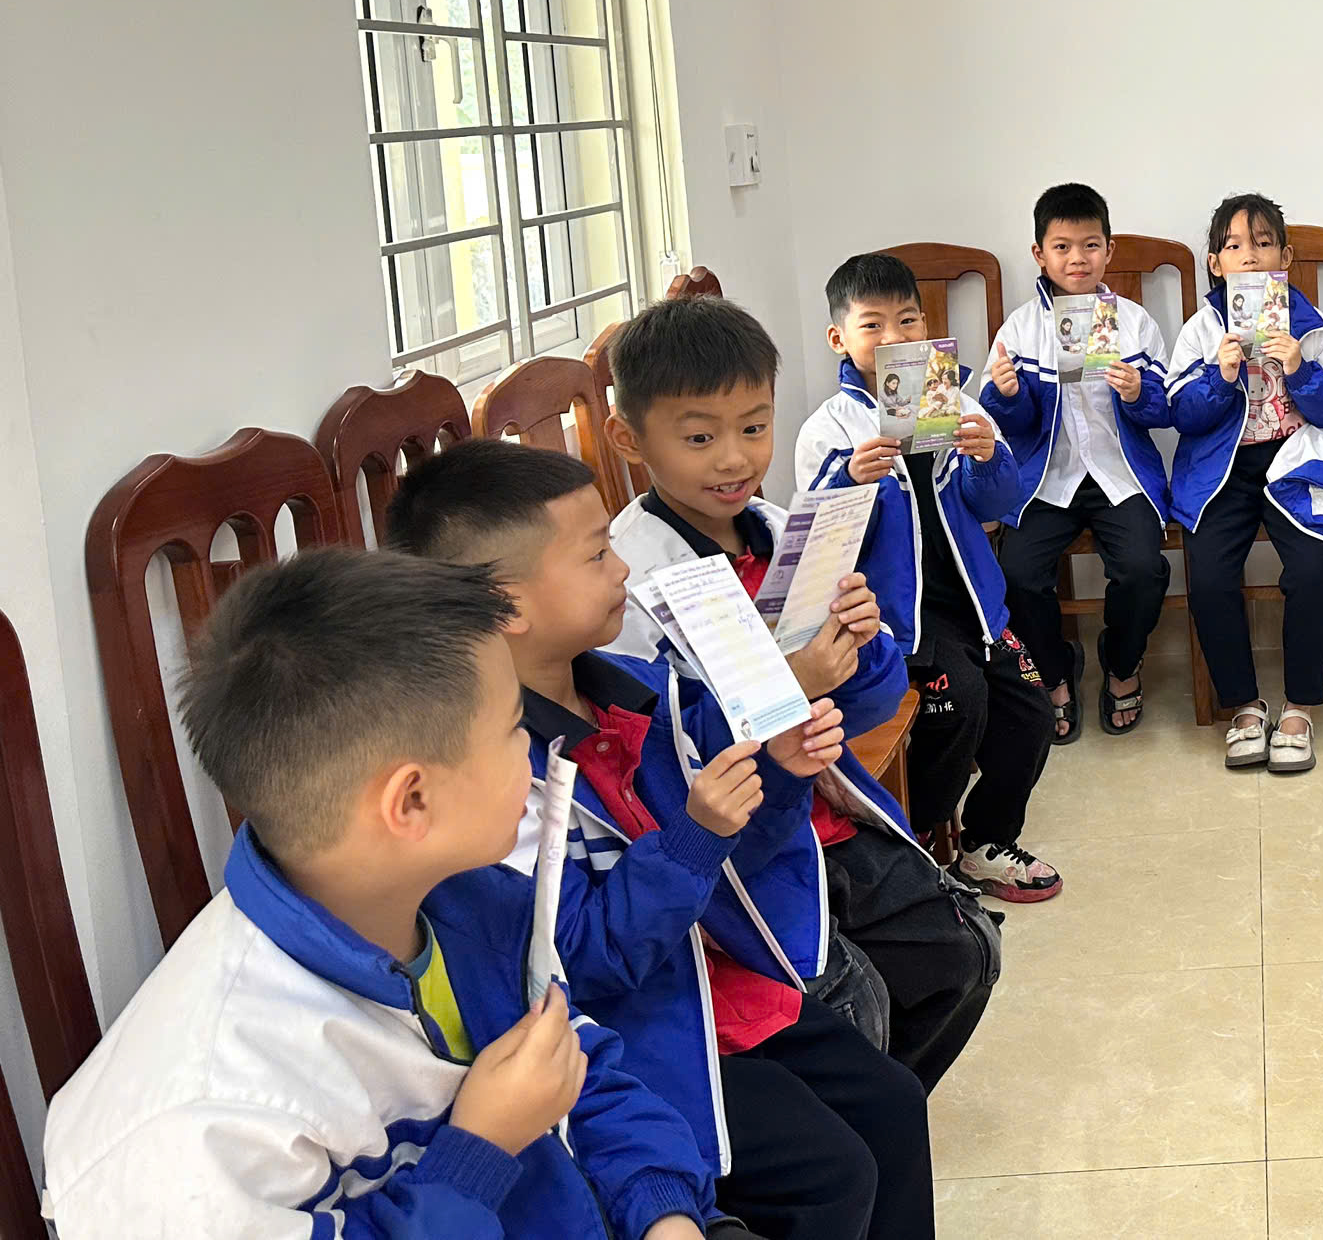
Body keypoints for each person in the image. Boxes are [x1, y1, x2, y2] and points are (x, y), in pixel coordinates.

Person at [40, 549, 733, 1240]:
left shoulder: (465, 900)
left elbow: (578, 1064)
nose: (530, 748)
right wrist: (479, 1152)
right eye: (513, 729)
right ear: (412, 801)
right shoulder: (201, 1127)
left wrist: (663, 1210)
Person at [386, 440, 942, 1240]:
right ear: (508, 605)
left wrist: (779, 771)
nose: (621, 567)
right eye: (595, 555)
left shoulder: (639, 694)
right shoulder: (493, 780)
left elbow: (738, 868)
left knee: (893, 1103)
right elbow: (575, 963)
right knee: (832, 1175)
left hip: (713, 986)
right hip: (631, 1042)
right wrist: (694, 838)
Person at [599, 294, 1007, 1062]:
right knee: (853, 1006)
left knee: (966, 952)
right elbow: (658, 763)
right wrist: (793, 681)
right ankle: (864, 1108)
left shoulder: (781, 530)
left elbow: (876, 701)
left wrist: (861, 641)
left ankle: (882, 1106)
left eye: (754, 428)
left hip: (826, 809)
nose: (734, 459)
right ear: (629, 438)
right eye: (699, 437)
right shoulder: (630, 581)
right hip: (737, 851)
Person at [792, 256, 1061, 902]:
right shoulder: (829, 429)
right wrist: (849, 479)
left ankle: (986, 841)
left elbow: (999, 504)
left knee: (1032, 710)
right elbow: (818, 545)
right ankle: (914, 848)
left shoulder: (955, 402)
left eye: (907, 320)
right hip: (897, 620)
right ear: (839, 339)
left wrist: (989, 457)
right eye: (872, 325)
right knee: (957, 707)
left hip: (976, 605)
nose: (893, 337)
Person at [1168, 193, 1323, 775]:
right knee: (1209, 576)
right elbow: (1181, 414)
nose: (1250, 256)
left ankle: (1299, 707)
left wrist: (1299, 367)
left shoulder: (1310, 324)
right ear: (1216, 264)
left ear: (1285, 258)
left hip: (1295, 464)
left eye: (1264, 243)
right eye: (1234, 246)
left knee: (1312, 569)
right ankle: (1244, 705)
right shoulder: (1202, 329)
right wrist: (1219, 376)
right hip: (1222, 472)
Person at [980, 182, 1175, 740]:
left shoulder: (1133, 322)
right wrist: (1009, 395)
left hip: (1120, 473)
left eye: (1090, 245)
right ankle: (1055, 672)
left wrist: (1138, 392)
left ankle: (1121, 662)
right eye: (1062, 247)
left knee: (1143, 568)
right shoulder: (1021, 329)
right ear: (1039, 254)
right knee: (1017, 573)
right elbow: (1007, 426)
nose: (1077, 259)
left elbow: (1164, 410)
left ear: (1109, 250)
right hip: (1047, 478)